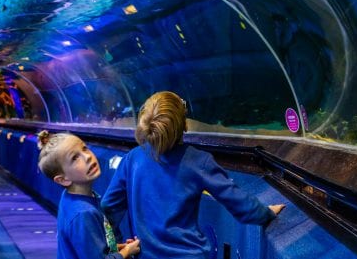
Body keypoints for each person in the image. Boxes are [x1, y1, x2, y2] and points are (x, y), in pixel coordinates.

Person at [101, 91, 285, 258]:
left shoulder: (132, 160)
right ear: (184, 125)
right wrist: (266, 213)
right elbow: (237, 201)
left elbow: (109, 208)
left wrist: (116, 247)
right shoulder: (198, 161)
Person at [37, 130, 142, 259]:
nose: (87, 157)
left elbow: (88, 248)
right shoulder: (83, 213)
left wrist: (118, 247)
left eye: (84, 148)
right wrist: (127, 252)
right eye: (74, 158)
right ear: (63, 179)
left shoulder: (72, 198)